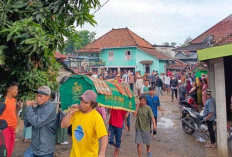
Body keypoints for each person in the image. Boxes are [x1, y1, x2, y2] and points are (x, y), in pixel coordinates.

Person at [61, 90, 108, 157]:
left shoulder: (96, 117)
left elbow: (104, 136)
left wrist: (102, 153)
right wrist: (70, 113)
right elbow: (63, 125)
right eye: (81, 101)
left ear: (92, 104)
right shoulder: (75, 112)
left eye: (86, 102)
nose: (82, 104)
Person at [24, 86, 57, 157]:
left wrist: (29, 108)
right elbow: (27, 123)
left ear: (48, 96)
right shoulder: (37, 106)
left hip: (45, 149)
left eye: (40, 96)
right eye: (37, 96)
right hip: (34, 146)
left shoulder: (50, 108)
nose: (38, 98)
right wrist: (29, 107)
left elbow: (37, 123)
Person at [0, 81, 19, 157]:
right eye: (16, 89)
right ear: (9, 90)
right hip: (5, 130)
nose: (17, 91)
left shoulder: (14, 100)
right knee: (4, 151)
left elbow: (12, 113)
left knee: (10, 150)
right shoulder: (3, 102)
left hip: (13, 129)